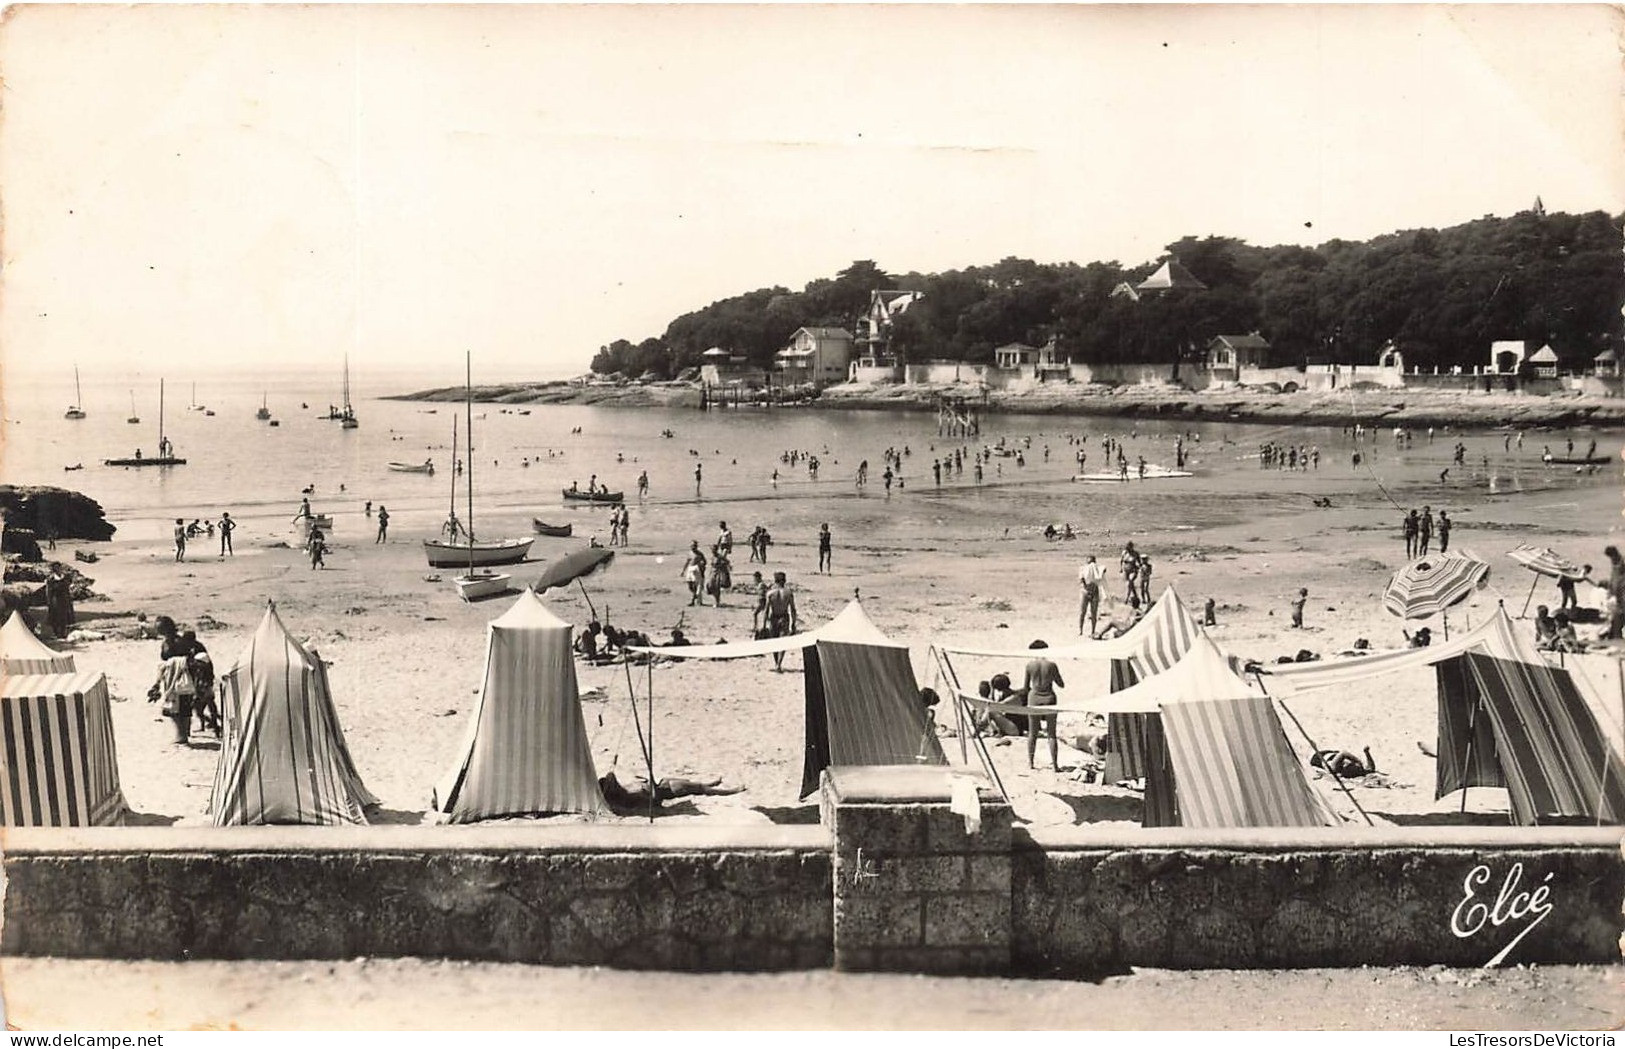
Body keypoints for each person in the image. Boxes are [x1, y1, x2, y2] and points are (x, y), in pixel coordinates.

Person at [598, 771, 744, 812]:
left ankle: (710, 783)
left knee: (695, 785)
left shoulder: (625, 789)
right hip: (666, 790)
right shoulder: (629, 798)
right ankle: (732, 791)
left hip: (663, 782)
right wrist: (652, 783)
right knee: (700, 790)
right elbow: (655, 800)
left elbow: (610, 775)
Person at [1022, 640, 1064, 772]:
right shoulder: (1052, 665)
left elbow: (1026, 686)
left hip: (1034, 697)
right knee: (1051, 734)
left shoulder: (1029, 665)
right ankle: (1055, 765)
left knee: (1032, 733)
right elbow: (1061, 684)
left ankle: (1031, 763)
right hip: (1049, 697)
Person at [762, 571, 798, 671]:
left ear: (775, 580)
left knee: (774, 641)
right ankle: (779, 663)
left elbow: (766, 610)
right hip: (784, 617)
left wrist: (764, 624)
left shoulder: (770, 593)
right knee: (783, 641)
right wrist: (794, 623)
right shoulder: (788, 593)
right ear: (784, 581)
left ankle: (776, 663)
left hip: (773, 617)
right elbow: (793, 609)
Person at [43, 563, 74, 640]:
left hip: (64, 599)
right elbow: (49, 591)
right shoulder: (51, 580)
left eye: (59, 568)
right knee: (55, 616)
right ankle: (56, 632)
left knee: (64, 616)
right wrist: (49, 601)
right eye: (56, 568)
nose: (58, 570)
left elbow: (68, 588)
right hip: (55, 600)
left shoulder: (65, 578)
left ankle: (63, 632)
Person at [1078, 555, 1105, 636]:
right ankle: (1081, 630)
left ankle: (1092, 631)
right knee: (1083, 612)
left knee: (1093, 612)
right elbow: (1082, 579)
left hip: (1092, 591)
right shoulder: (1084, 569)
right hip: (1086, 591)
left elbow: (1101, 572)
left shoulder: (1096, 568)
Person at [1606, 546, 1625, 640]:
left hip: (1622, 592)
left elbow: (1618, 578)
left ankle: (1617, 635)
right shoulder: (1615, 562)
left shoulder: (1621, 562)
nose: (1611, 559)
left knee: (1619, 615)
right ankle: (1616, 635)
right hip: (1617, 593)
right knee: (1617, 615)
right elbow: (1613, 577)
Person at [682, 542, 707, 606]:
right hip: (690, 568)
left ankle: (693, 601)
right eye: (692, 546)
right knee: (689, 584)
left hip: (696, 569)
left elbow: (704, 561)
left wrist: (701, 566)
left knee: (695, 585)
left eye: (694, 546)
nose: (693, 547)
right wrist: (683, 571)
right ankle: (695, 594)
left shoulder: (700, 554)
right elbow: (687, 562)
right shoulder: (690, 553)